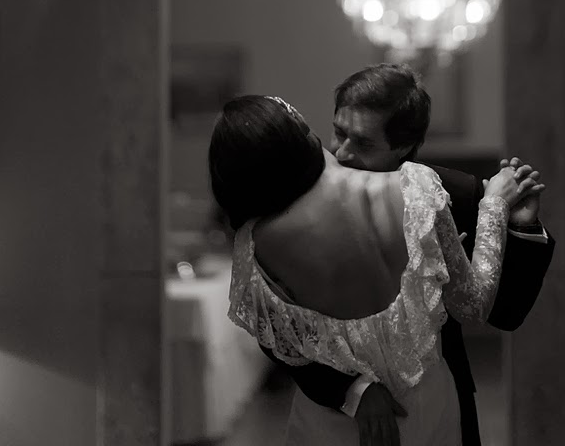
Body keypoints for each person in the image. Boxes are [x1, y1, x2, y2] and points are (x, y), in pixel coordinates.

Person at [209, 91, 544, 446]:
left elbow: (278, 337)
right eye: (338, 133)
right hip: (395, 412)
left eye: (362, 141)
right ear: (302, 137)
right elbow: (473, 305)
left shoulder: (256, 246)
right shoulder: (420, 187)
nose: (342, 151)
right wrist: (495, 206)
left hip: (350, 426)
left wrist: (516, 227)